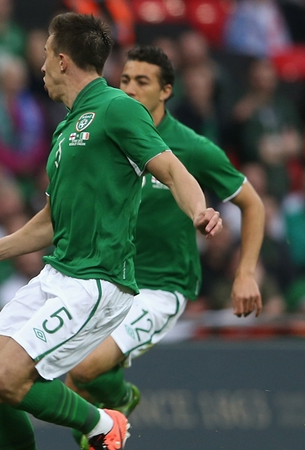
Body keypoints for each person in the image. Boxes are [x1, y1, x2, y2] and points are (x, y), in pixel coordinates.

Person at [0, 13, 222, 450]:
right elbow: (51, 221)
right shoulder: (66, 127)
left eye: (44, 56)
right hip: (57, 274)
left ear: (61, 60)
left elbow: (173, 170)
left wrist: (199, 210)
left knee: (8, 378)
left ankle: (103, 423)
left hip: (96, 281)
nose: (39, 67)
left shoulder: (117, 107)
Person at [64, 45, 266, 449]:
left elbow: (253, 204)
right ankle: (106, 427)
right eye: (125, 80)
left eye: (142, 81)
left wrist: (245, 273)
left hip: (162, 287)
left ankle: (122, 398)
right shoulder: (108, 134)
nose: (130, 89)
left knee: (84, 369)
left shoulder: (191, 147)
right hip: (109, 279)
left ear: (166, 91)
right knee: (71, 380)